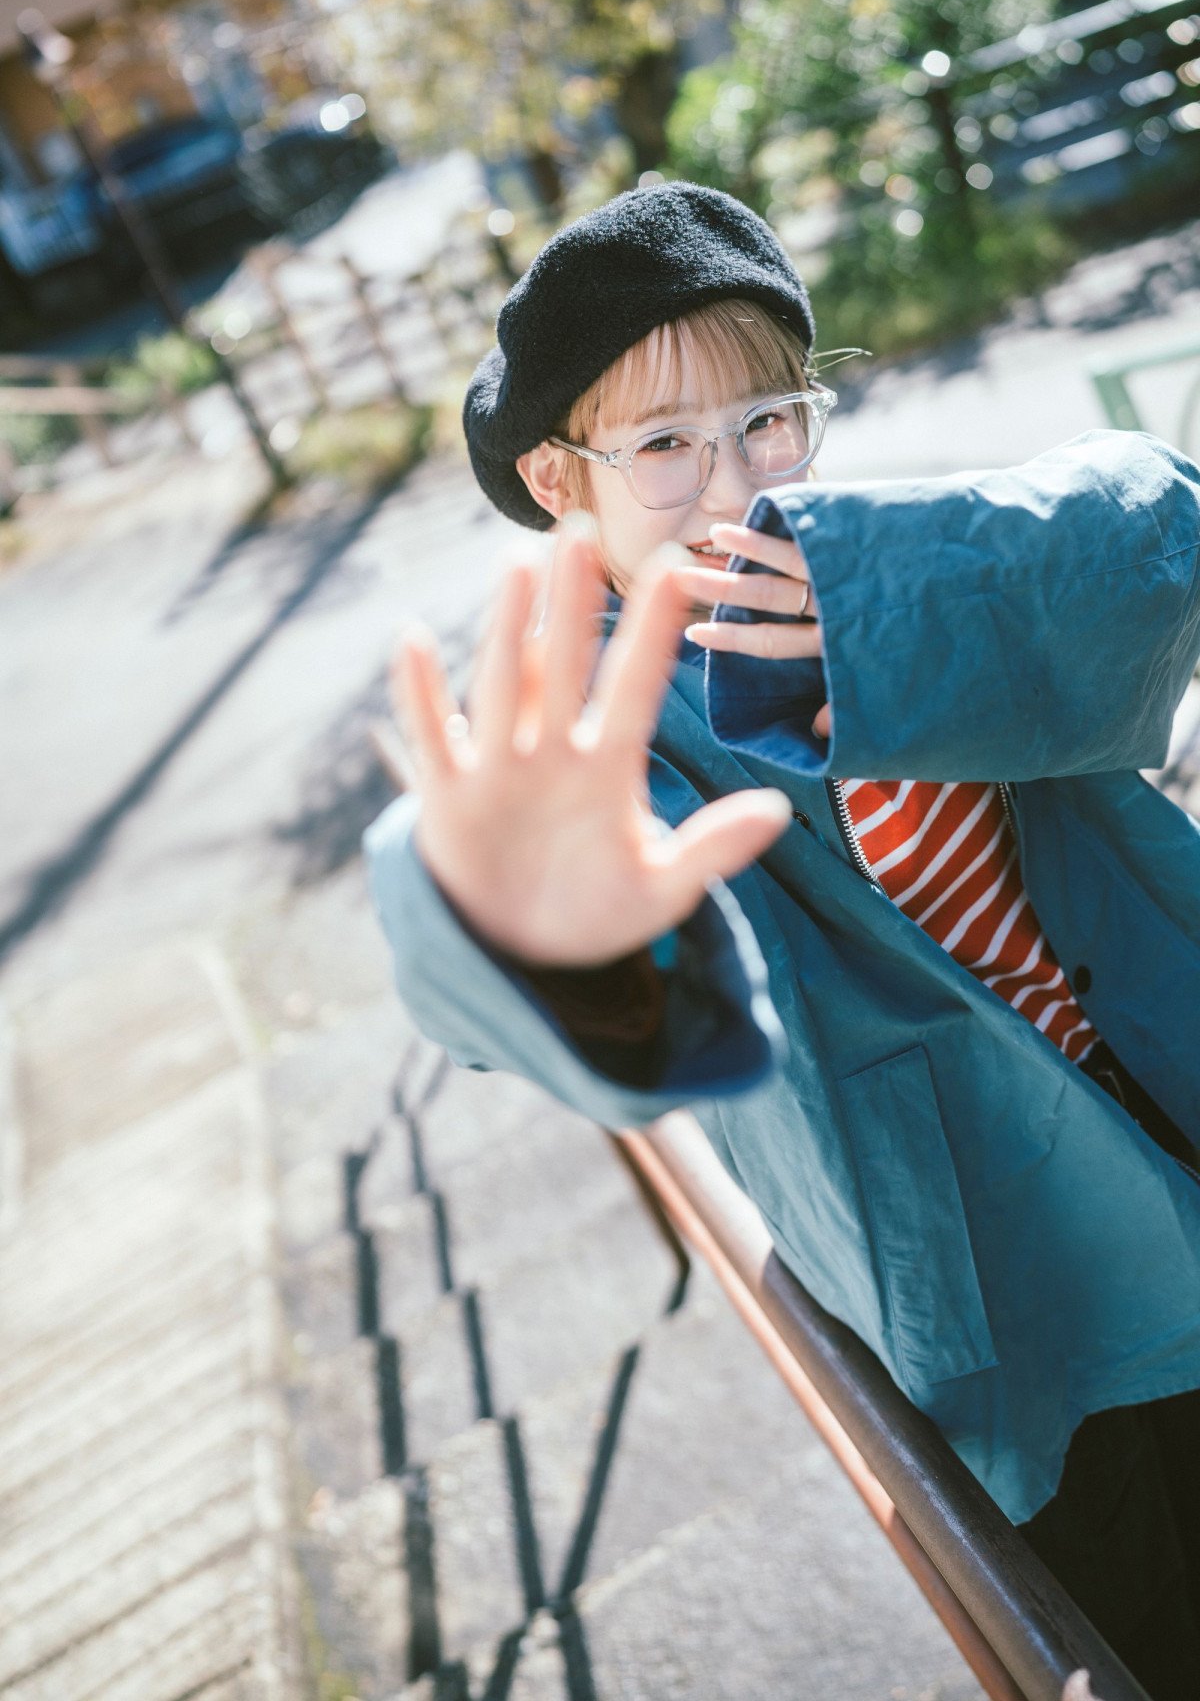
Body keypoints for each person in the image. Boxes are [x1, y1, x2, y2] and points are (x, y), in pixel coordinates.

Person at [365, 181, 1200, 1697]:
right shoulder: (596, 727)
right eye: (663, 445)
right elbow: (559, 963)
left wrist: (899, 597)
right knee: (1141, 1626)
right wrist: (526, 931)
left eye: (769, 421)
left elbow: (1156, 512)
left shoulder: (878, 561)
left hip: (1168, 1085)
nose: (734, 483)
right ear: (558, 481)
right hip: (1010, 1284)